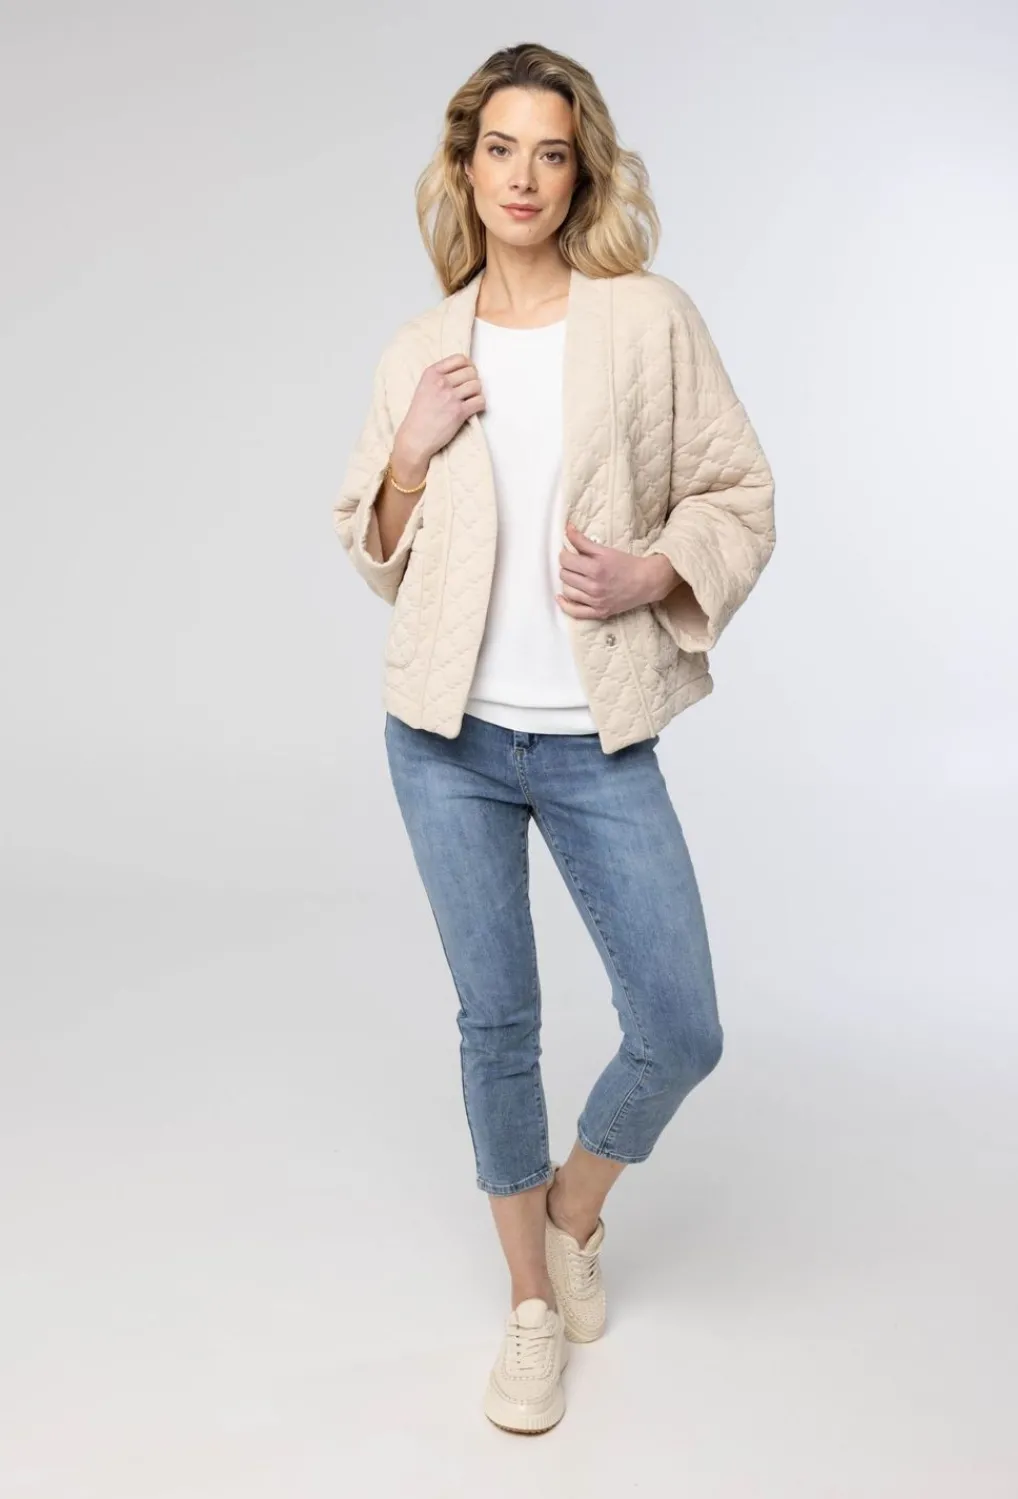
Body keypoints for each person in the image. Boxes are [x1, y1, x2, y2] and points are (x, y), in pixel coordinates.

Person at [332, 42, 776, 1436]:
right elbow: (378, 552)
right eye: (499, 149)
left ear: (581, 171)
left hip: (595, 739)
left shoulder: (645, 321)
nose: (522, 177)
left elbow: (739, 490)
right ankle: (531, 1303)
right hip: (445, 743)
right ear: (465, 166)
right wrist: (410, 451)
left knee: (681, 1024)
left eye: (551, 152)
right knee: (499, 1023)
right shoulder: (420, 348)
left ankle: (575, 1208)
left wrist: (655, 570)